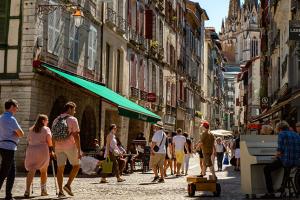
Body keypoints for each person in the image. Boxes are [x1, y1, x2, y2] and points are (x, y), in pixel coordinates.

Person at [263, 121, 300, 198]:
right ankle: (282, 188)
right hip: (296, 161)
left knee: (266, 169)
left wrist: (274, 156)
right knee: (286, 169)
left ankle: (270, 192)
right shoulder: (296, 134)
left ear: (279, 128)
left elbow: (280, 151)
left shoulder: (281, 134)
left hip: (286, 160)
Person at [52, 101, 81, 197]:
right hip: (70, 146)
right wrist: (79, 149)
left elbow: (53, 136)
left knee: (60, 169)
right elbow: (76, 136)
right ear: (69, 109)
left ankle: (60, 191)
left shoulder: (56, 120)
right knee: (76, 165)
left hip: (58, 147)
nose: (75, 112)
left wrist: (53, 149)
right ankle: (68, 185)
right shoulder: (73, 119)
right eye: (74, 109)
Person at [24, 114, 54, 198]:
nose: (48, 122)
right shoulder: (46, 129)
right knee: (43, 170)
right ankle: (43, 190)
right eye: (47, 120)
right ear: (43, 121)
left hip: (31, 150)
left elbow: (28, 140)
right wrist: (51, 150)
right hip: (42, 150)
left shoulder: (31, 129)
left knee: (31, 169)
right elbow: (49, 140)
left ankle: (27, 190)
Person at [0, 99, 24, 200]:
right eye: (16, 106)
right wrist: (15, 134)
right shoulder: (11, 119)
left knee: (12, 172)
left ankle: (8, 195)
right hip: (9, 147)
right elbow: (21, 133)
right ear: (12, 107)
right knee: (4, 172)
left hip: (2, 146)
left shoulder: (0, 118)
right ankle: (8, 195)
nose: (17, 109)